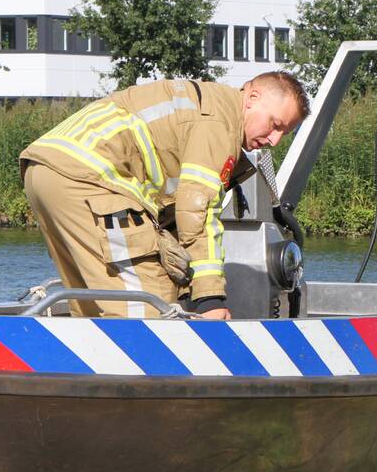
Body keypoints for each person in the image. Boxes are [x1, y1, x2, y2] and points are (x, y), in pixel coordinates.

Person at [20, 71, 309, 319]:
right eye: (275, 124)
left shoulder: (203, 103)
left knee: (91, 303)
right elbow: (199, 210)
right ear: (252, 97)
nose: (274, 140)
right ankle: (145, 381)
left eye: (284, 133)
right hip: (90, 180)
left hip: (46, 171)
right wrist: (210, 299)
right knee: (151, 308)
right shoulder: (218, 123)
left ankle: (83, 380)